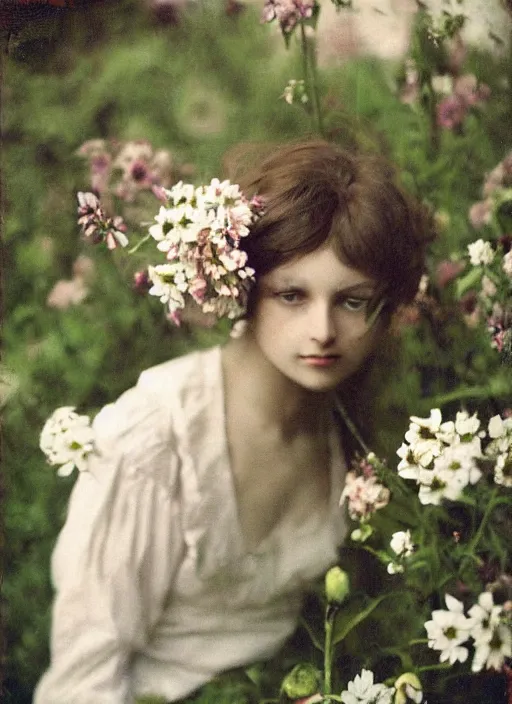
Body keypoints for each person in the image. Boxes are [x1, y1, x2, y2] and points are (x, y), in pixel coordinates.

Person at [34, 139, 434, 704]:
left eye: (351, 301)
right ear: (243, 286)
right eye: (292, 295)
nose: (322, 330)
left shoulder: (344, 421)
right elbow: (82, 680)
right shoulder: (157, 437)